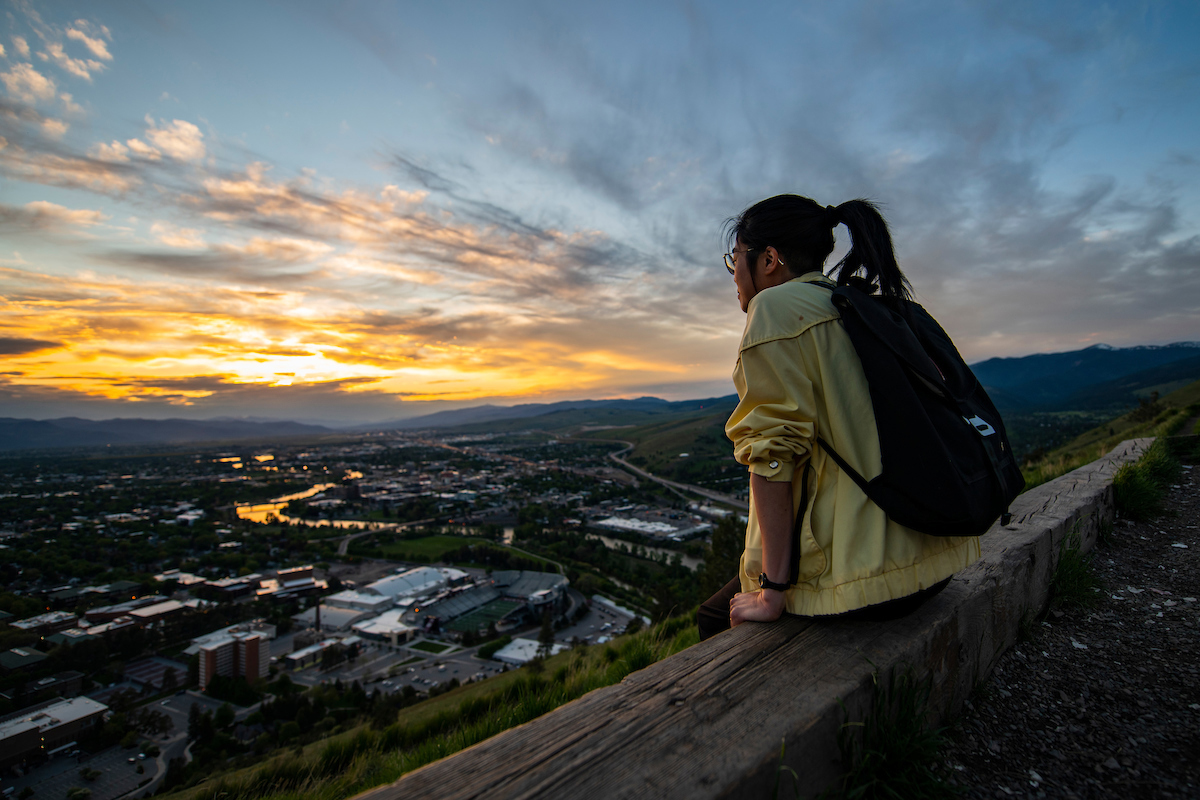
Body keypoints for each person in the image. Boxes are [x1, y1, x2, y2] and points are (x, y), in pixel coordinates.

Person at [697, 194, 980, 641]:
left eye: (736, 258)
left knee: (713, 620)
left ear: (769, 259)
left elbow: (772, 458)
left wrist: (772, 590)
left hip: (863, 580)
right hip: (932, 558)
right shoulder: (850, 304)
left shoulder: (774, 310)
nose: (733, 273)